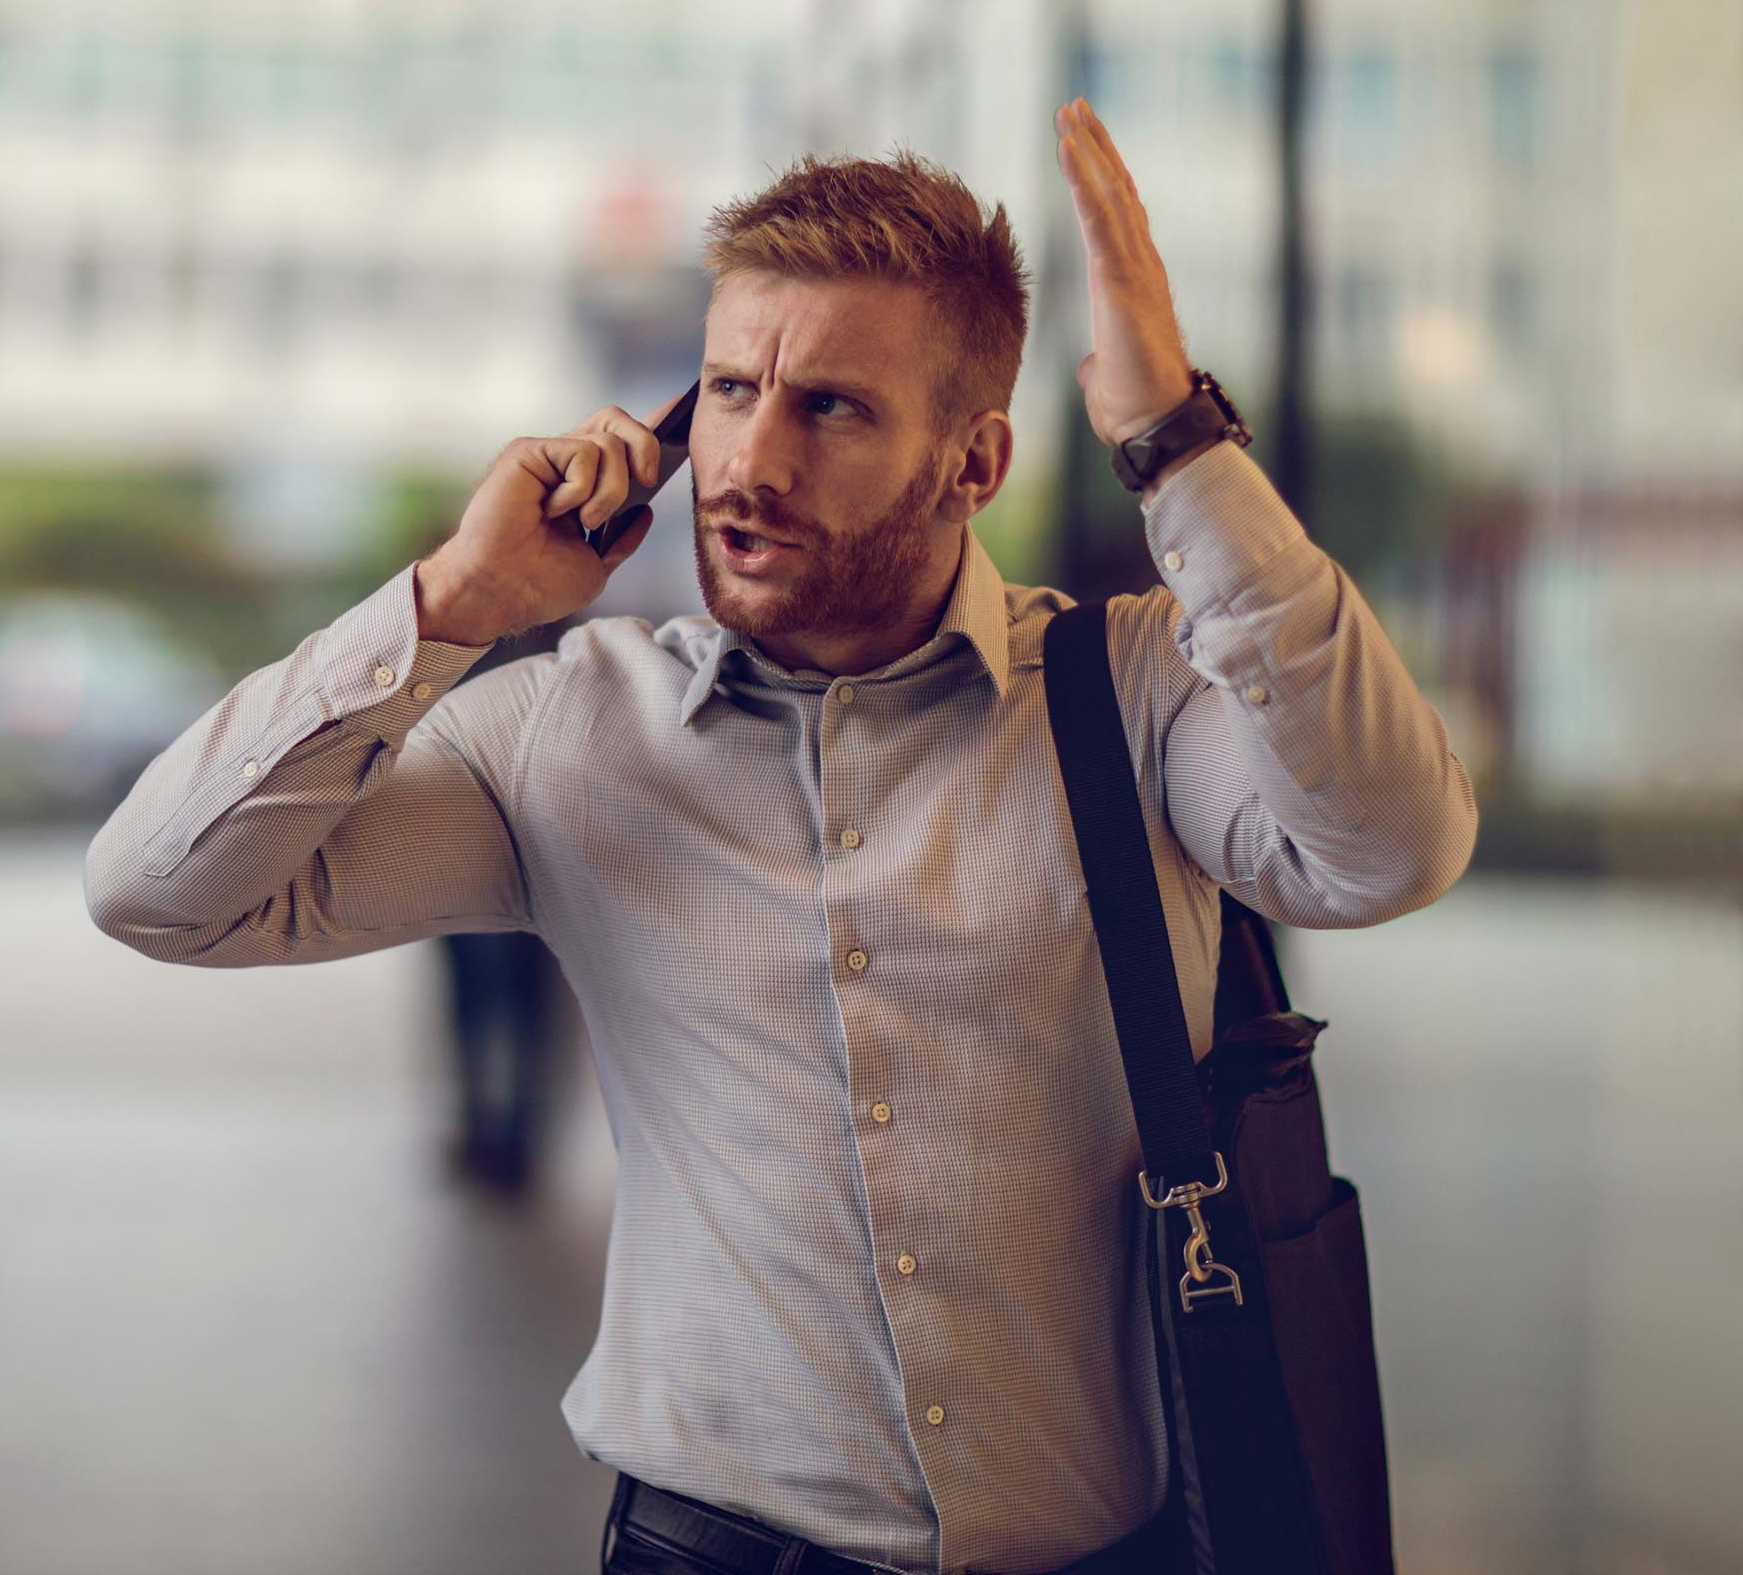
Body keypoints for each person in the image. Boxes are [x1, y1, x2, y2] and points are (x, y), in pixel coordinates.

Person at [84, 104, 1478, 1575]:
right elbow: (159, 895)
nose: (748, 461)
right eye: (730, 389)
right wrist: (455, 603)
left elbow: (1391, 845)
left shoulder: (1129, 691)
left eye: (831, 407)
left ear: (974, 462)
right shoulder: (579, 729)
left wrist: (1176, 445)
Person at [434, 612, 570, 1194]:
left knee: (498, 1007)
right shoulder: (549, 643)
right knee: (504, 1008)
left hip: (509, 860)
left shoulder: (562, 648)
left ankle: (505, 1134)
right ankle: (497, 1131)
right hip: (486, 859)